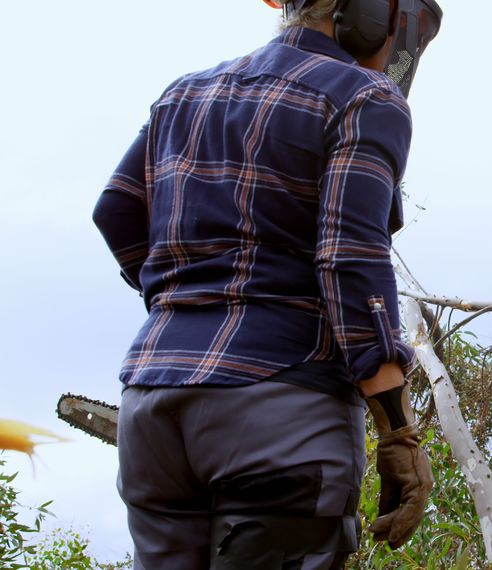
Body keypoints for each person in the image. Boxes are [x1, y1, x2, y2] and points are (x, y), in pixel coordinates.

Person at [92, 0, 442, 567]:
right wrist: (397, 433)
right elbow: (350, 257)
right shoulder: (364, 97)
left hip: (153, 406)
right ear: (368, 15)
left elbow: (116, 211)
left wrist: (185, 305)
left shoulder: (183, 93)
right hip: (282, 407)